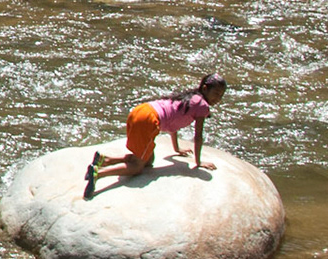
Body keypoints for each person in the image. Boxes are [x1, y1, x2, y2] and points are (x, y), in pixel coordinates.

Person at [84, 73, 226, 199]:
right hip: (148, 119)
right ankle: (98, 173)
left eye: (221, 95)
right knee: (137, 167)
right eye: (216, 93)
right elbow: (198, 136)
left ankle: (104, 160)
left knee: (148, 161)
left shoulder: (189, 97)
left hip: (140, 110)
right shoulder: (202, 106)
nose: (218, 99)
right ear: (205, 89)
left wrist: (176, 149)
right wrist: (198, 163)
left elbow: (173, 124)